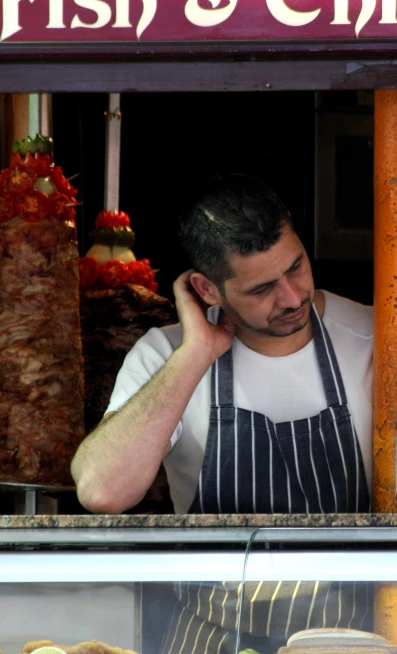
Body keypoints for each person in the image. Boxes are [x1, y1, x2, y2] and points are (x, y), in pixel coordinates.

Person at [71, 172, 374, 654]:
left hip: (349, 640)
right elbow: (102, 491)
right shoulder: (165, 355)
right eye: (261, 289)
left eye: (296, 267)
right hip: (211, 639)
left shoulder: (378, 339)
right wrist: (196, 353)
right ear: (206, 289)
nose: (293, 297)